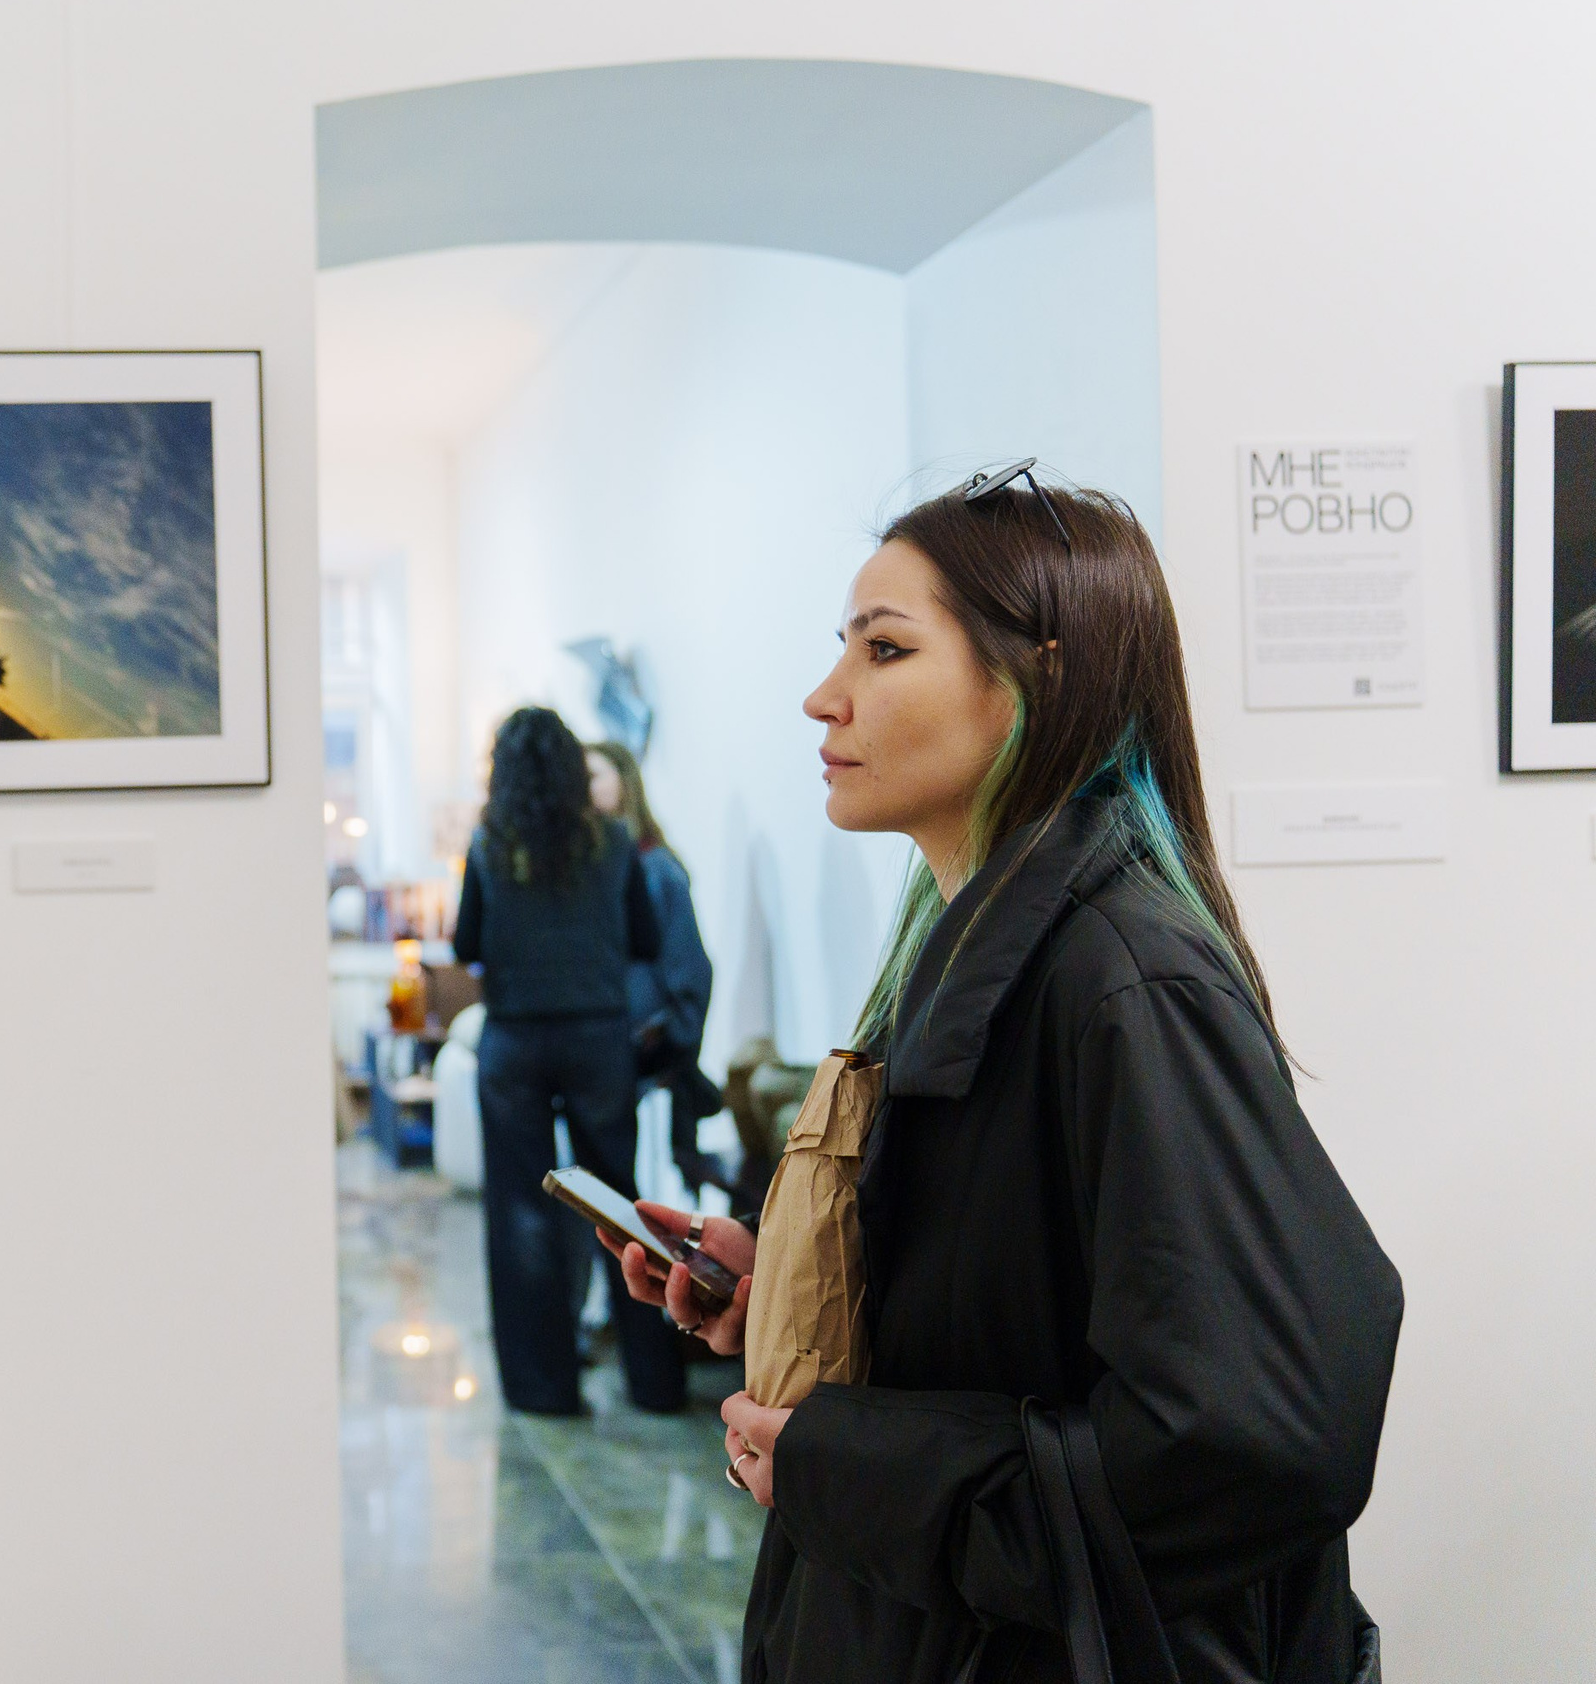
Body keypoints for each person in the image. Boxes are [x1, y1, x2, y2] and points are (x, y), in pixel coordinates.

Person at [604, 469, 1402, 1682]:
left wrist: (850, 1464)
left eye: (883, 651)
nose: (825, 700)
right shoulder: (971, 940)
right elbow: (1023, 1314)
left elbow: (1257, 1437)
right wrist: (795, 1294)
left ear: (1037, 678)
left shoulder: (1124, 980)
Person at [453, 707, 686, 1415]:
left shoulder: (490, 845)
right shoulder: (613, 842)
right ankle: (654, 1382)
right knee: (619, 1206)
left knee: (522, 1211)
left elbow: (467, 944)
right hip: (597, 1039)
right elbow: (645, 940)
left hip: (515, 1042)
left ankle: (542, 1387)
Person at [586, 740, 723, 1196]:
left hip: (645, 1046)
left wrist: (675, 1041)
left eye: (593, 776)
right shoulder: (596, 869)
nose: (582, 789)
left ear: (624, 782)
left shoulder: (657, 869)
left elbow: (690, 966)